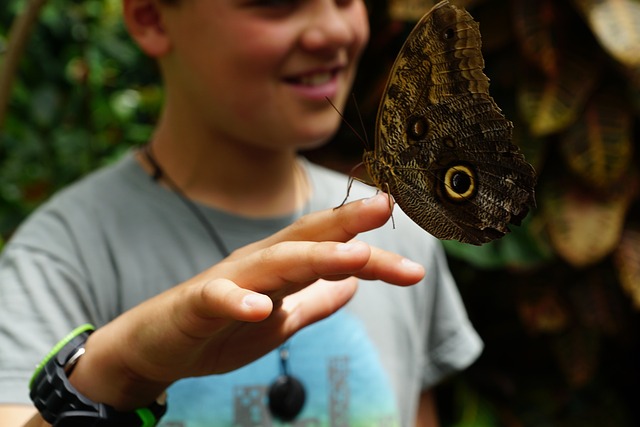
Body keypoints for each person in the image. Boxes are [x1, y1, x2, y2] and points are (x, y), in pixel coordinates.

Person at [0, 0, 483, 425]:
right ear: (150, 17)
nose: (332, 30)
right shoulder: (59, 258)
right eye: (274, 3)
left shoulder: (399, 234)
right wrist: (122, 374)